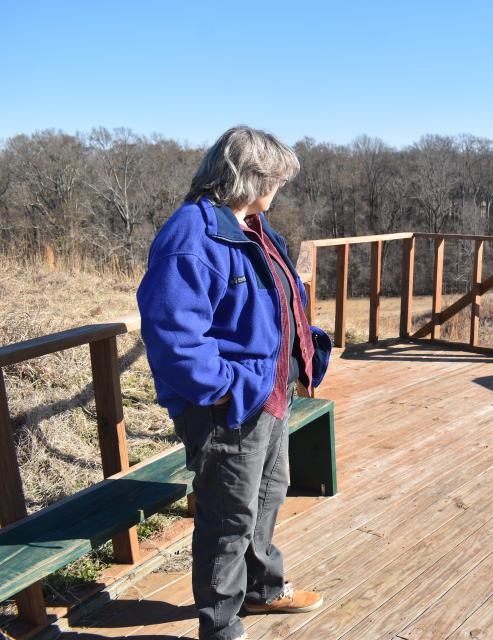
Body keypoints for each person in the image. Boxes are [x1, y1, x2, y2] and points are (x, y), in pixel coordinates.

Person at [136, 126, 331, 640]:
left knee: (267, 496)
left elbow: (276, 303)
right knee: (228, 517)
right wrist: (226, 388)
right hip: (231, 406)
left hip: (268, 395)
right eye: (276, 182)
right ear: (249, 178)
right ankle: (220, 623)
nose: (277, 193)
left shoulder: (252, 227)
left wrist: (303, 351)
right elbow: (173, 332)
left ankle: (263, 590)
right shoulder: (192, 235)